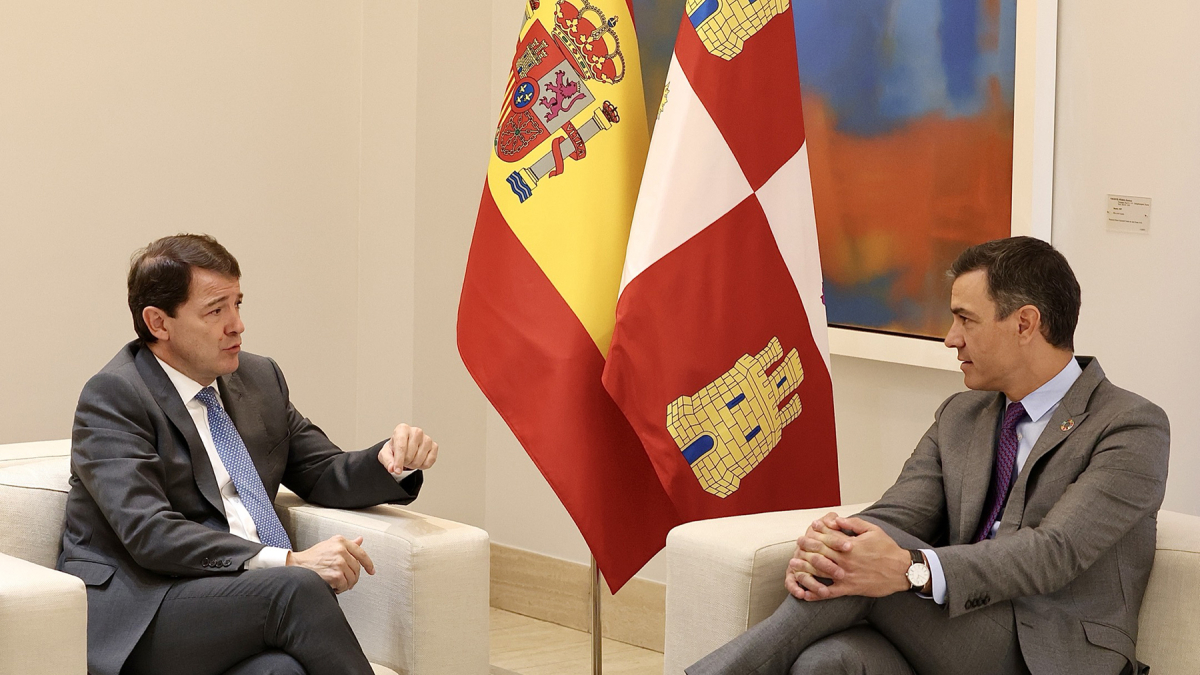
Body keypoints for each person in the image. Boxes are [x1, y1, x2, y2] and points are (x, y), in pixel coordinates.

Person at [687, 236, 1169, 675]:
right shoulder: (962, 414)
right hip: (952, 631)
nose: (950, 338)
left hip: (1048, 653)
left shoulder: (1129, 425)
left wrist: (909, 568)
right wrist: (831, 545)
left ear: (1024, 323)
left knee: (878, 554)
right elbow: (896, 514)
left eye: (966, 319)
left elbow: (1055, 552)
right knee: (826, 663)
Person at [58, 234, 439, 675]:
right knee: (295, 589)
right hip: (146, 610)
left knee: (282, 672)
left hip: (235, 601)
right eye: (216, 310)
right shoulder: (115, 395)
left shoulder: (258, 379)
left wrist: (391, 459)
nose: (237, 324)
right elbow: (150, 532)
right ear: (159, 323)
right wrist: (289, 562)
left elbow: (321, 470)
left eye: (238, 304)